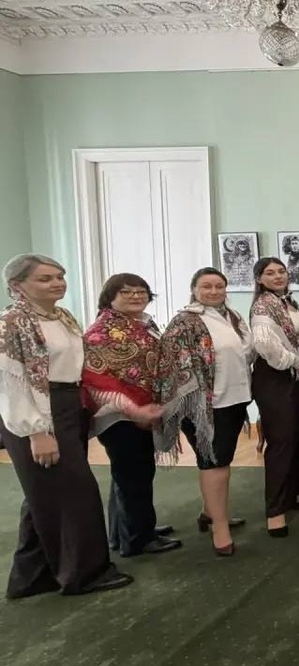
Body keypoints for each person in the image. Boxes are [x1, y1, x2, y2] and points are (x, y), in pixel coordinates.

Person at [0, 254, 133, 598]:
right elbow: (11, 383)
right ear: (17, 285)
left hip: (68, 405)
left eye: (59, 276)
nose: (57, 283)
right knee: (75, 492)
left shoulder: (62, 316)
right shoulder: (11, 323)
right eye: (45, 278)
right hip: (38, 412)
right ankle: (84, 574)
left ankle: (32, 577)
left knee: (44, 494)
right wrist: (36, 431)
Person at [157, 267, 255, 556]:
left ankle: (210, 512)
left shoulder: (232, 317)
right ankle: (220, 530)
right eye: (206, 286)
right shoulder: (184, 322)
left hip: (234, 399)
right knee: (214, 463)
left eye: (219, 286)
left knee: (221, 460)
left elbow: (245, 353)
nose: (213, 291)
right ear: (194, 289)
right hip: (203, 407)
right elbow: (174, 367)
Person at [82, 273, 180, 557]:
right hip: (120, 415)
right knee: (134, 476)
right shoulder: (102, 332)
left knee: (128, 475)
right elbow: (98, 378)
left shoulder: (140, 324)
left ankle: (124, 531)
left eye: (141, 291)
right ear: (110, 297)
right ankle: (138, 539)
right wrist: (134, 409)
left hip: (141, 410)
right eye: (126, 292)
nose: (136, 296)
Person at [249, 256, 299, 538]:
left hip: (295, 376)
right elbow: (267, 346)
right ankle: (275, 511)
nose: (278, 276)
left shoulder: (287, 302)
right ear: (259, 279)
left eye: (281, 271)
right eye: (270, 273)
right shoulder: (263, 305)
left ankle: (290, 496)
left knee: (297, 437)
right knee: (281, 442)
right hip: (276, 377)